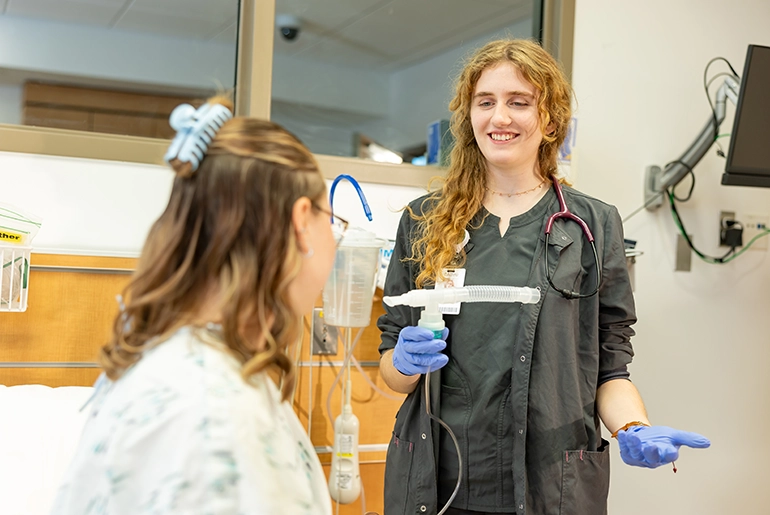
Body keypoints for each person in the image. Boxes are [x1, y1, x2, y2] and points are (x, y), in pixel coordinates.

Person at [377, 39, 710, 515]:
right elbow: (391, 369)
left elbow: (610, 367)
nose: (500, 118)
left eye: (519, 103)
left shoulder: (593, 226)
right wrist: (405, 363)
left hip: (550, 481)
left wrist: (634, 428)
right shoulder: (424, 221)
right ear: (468, 117)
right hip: (438, 477)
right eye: (485, 102)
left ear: (550, 118)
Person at [51, 97, 346, 515]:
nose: (333, 240)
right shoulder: (218, 418)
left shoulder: (177, 361)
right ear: (301, 220)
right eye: (331, 222)